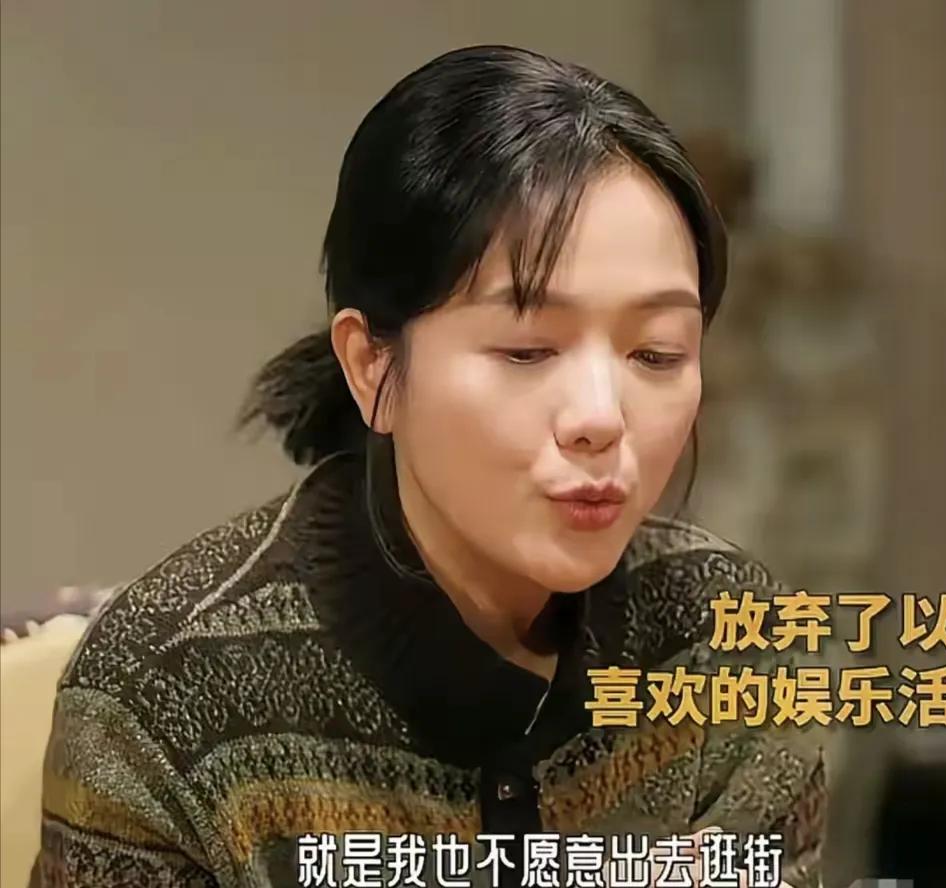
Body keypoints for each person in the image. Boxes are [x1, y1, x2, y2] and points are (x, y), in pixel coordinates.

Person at [35, 45, 826, 888]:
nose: (602, 417)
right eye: (527, 351)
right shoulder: (167, 695)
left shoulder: (728, 642)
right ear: (372, 364)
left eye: (656, 354)